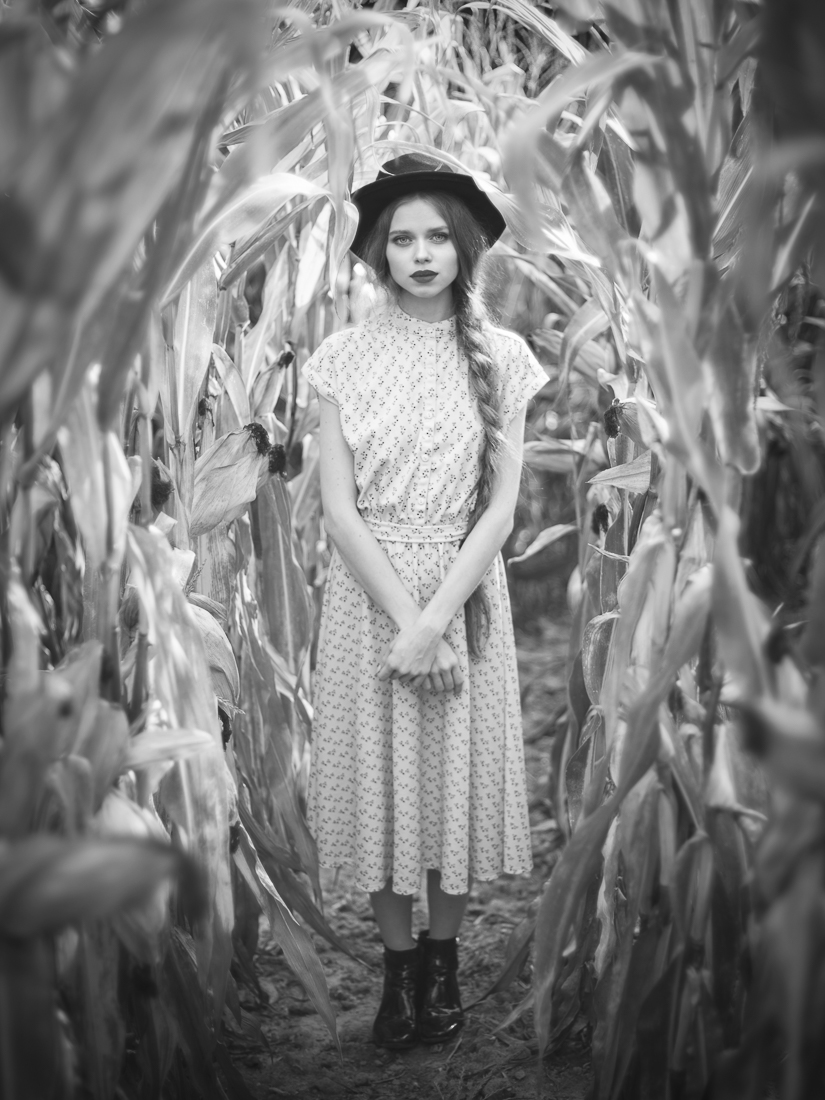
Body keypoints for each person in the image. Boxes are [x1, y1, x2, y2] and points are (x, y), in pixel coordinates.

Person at [303, 153, 546, 1050]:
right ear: (378, 251)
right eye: (401, 239)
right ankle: (397, 975)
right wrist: (407, 626)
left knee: (448, 784)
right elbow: (339, 511)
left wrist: (437, 621)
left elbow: (501, 510)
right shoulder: (341, 360)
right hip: (368, 601)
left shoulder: (505, 360)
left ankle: (442, 967)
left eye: (437, 236)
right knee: (380, 785)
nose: (419, 254)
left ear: (464, 246)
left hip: (464, 592)